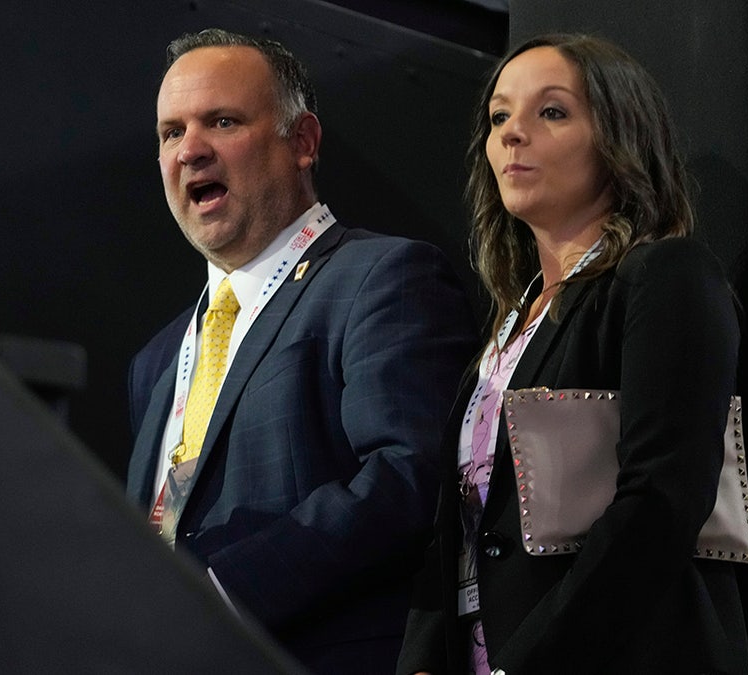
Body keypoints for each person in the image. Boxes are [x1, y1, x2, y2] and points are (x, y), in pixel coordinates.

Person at [396, 34, 748, 675]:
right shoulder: (504, 329)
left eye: (551, 112)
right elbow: (454, 526)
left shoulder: (666, 276)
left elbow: (662, 501)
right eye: (499, 116)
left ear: (620, 137)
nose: (512, 135)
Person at [127, 29, 475, 673]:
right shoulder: (156, 360)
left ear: (303, 142)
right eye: (170, 133)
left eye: (222, 121)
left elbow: (409, 476)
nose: (190, 150)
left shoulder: (383, 277)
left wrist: (225, 591)